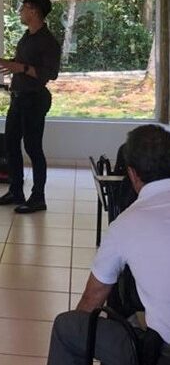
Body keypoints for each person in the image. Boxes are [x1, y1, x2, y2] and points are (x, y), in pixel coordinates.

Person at [47, 124, 170, 365]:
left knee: (68, 327)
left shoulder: (126, 224)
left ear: (132, 174)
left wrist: (83, 329)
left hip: (162, 354)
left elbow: (93, 299)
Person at [0, 0, 61, 213]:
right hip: (18, 98)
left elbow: (49, 74)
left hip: (34, 99)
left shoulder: (48, 41)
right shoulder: (27, 36)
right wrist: (0, 61)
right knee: (11, 144)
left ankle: (38, 198)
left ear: (34, 11)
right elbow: (21, 64)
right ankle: (16, 191)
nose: (20, 12)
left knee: (33, 149)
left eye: (23, 8)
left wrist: (21, 68)